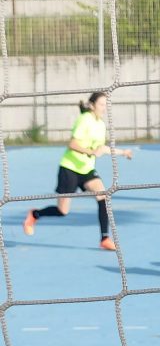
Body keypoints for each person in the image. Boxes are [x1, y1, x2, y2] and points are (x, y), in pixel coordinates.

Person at [23, 92, 132, 251]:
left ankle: (104, 238)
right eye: (101, 104)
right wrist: (89, 152)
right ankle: (34, 215)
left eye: (106, 104)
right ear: (93, 105)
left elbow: (100, 148)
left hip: (86, 169)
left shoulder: (100, 124)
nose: (104, 108)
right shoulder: (84, 119)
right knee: (62, 211)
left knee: (103, 195)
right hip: (70, 168)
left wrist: (123, 153)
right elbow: (72, 144)